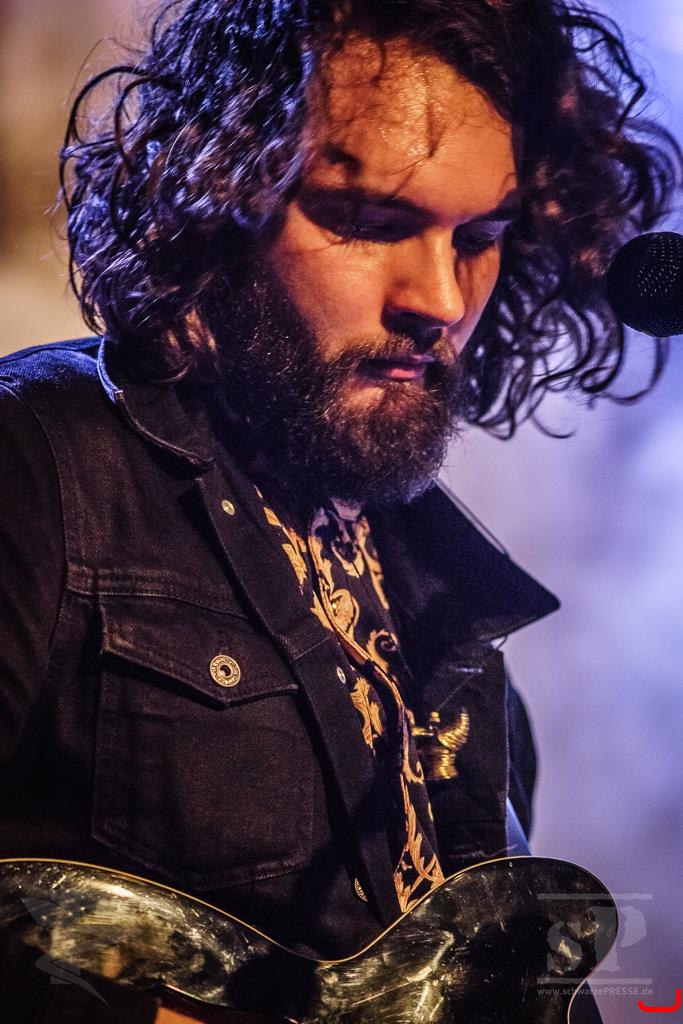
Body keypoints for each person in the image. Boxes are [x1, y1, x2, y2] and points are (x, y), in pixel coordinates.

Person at [0, 0, 679, 1021]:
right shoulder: (40, 466)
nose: (439, 299)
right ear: (215, 195)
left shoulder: (457, 629)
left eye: (479, 236)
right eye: (367, 222)